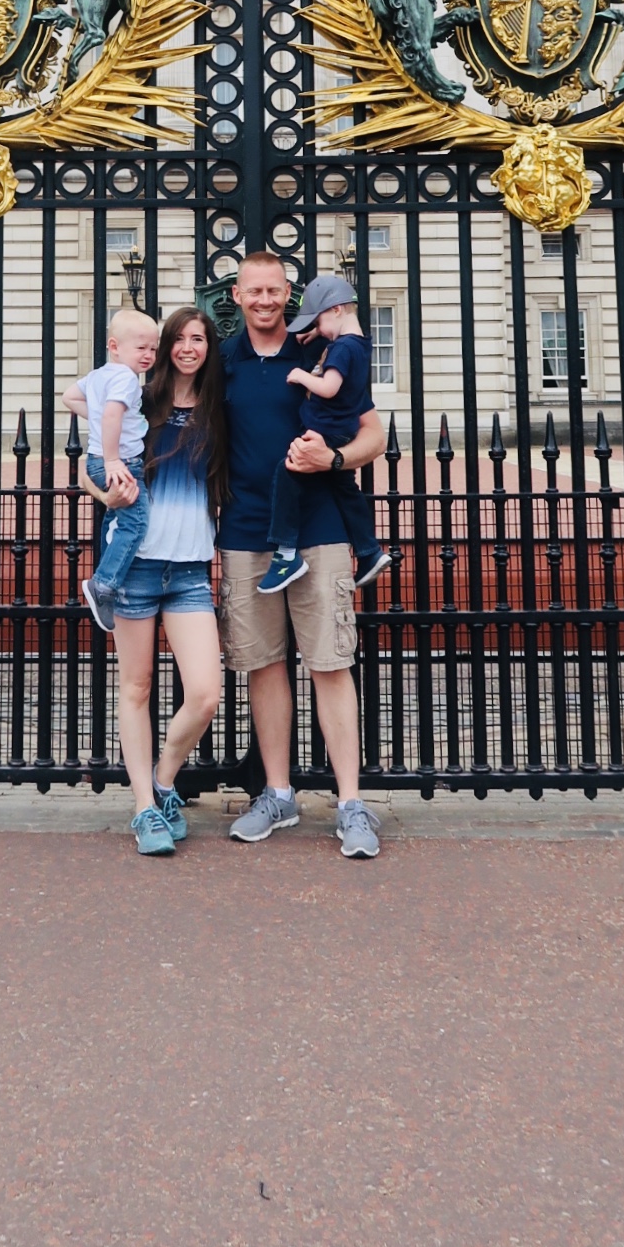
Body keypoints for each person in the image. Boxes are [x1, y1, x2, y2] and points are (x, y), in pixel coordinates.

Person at [216, 251, 388, 860]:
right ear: (237, 296)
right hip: (245, 530)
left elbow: (374, 433)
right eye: (254, 291)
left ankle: (351, 802)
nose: (264, 300)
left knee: (330, 663)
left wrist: (334, 459)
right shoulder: (222, 360)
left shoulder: (319, 350)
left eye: (274, 290)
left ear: (288, 294)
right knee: (264, 666)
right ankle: (278, 793)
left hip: (318, 527)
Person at [66, 308, 227, 855]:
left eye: (198, 339)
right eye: (177, 338)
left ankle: (162, 780)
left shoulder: (217, 407)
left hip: (190, 568)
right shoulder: (137, 398)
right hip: (135, 567)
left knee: (204, 694)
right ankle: (143, 808)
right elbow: (89, 466)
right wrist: (105, 496)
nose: (187, 348)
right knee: (135, 688)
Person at [257, 274, 391, 595]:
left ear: (336, 309)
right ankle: (369, 551)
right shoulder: (358, 343)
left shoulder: (341, 348)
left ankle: (286, 554)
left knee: (287, 474)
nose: (318, 328)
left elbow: (329, 387)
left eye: (318, 320)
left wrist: (301, 375)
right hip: (343, 431)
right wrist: (318, 331)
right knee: (345, 489)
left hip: (325, 430)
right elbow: (338, 333)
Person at [75, 307, 160, 633]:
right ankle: (104, 584)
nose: (148, 355)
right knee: (136, 523)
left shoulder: (99, 375)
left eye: (153, 348)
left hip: (97, 460)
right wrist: (113, 458)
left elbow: (70, 397)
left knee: (117, 519)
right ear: (114, 346)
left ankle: (108, 577)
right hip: (119, 463)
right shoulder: (125, 378)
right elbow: (111, 415)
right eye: (141, 348)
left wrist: (100, 419)